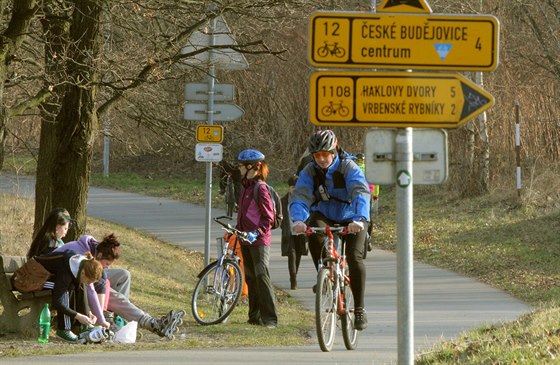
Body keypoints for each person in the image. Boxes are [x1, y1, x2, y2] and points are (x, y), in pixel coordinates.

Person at [289, 130, 371, 331]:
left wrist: (360, 219)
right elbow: (300, 196)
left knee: (354, 256)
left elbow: (360, 191)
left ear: (334, 151)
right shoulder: (309, 171)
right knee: (314, 232)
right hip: (324, 213)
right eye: (318, 156)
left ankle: (359, 308)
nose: (322, 159)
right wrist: (298, 220)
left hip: (353, 216)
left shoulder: (347, 167)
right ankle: (324, 274)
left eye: (326, 154)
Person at [53, 234, 185, 339]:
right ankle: (150, 323)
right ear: (99, 255)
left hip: (77, 277)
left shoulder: (94, 252)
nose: (106, 267)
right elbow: (91, 289)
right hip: (63, 279)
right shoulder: (82, 254)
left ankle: (119, 320)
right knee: (107, 288)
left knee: (123, 275)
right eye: (106, 263)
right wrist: (100, 318)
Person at [235, 149, 278, 328]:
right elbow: (244, 214)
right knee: (251, 278)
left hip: (259, 240)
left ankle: (270, 319)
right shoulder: (246, 187)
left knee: (262, 277)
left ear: (252, 166)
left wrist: (256, 232)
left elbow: (269, 218)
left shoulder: (260, 188)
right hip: (245, 239)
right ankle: (254, 316)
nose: (239, 168)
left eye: (241, 165)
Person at [35, 251, 103, 343]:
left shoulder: (82, 266)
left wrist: (88, 313)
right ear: (83, 273)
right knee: (66, 290)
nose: (89, 284)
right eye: (89, 281)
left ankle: (84, 326)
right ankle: (64, 330)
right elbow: (58, 302)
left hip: (51, 277)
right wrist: (78, 316)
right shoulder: (66, 272)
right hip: (34, 279)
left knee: (80, 285)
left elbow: (78, 286)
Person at [280, 175, 308, 290]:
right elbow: (280, 215)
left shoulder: (304, 199)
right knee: (291, 254)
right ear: (289, 187)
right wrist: (284, 226)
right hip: (289, 232)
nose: (294, 189)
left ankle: (295, 273)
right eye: (292, 187)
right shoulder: (284, 200)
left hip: (301, 232)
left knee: (299, 254)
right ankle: (293, 279)